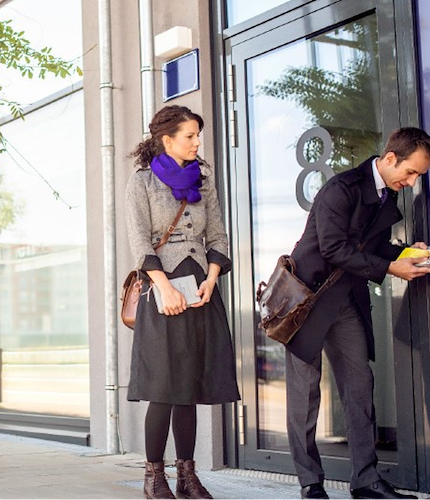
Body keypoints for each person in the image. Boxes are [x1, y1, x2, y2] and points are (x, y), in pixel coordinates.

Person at [284, 127, 430, 500]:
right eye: (411, 172)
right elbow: (334, 248)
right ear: (389, 159)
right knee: (304, 397)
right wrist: (390, 269)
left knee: (359, 389)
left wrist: (405, 254)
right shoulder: (342, 188)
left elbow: (377, 245)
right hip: (308, 302)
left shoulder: (387, 196)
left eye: (418, 175)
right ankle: (310, 482)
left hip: (347, 302)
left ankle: (366, 480)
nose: (412, 181)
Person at [125, 105, 240, 500]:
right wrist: (164, 286)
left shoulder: (204, 182)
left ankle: (187, 477)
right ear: (167, 139)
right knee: (164, 386)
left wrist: (211, 279)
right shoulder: (140, 183)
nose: (196, 143)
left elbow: (219, 238)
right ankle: (154, 477)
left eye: (197, 136)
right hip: (162, 291)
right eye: (189, 136)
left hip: (202, 293)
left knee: (189, 386)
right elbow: (139, 242)